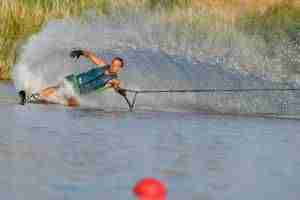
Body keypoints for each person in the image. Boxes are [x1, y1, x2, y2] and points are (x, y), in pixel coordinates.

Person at [19, 49, 127, 106]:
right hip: (75, 81)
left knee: (72, 104)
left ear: (120, 68)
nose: (114, 66)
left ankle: (41, 100)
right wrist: (80, 52)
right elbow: (90, 55)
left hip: (79, 92)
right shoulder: (102, 65)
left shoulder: (114, 80)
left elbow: (117, 87)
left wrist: (121, 91)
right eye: (113, 63)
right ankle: (29, 99)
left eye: (117, 65)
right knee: (57, 88)